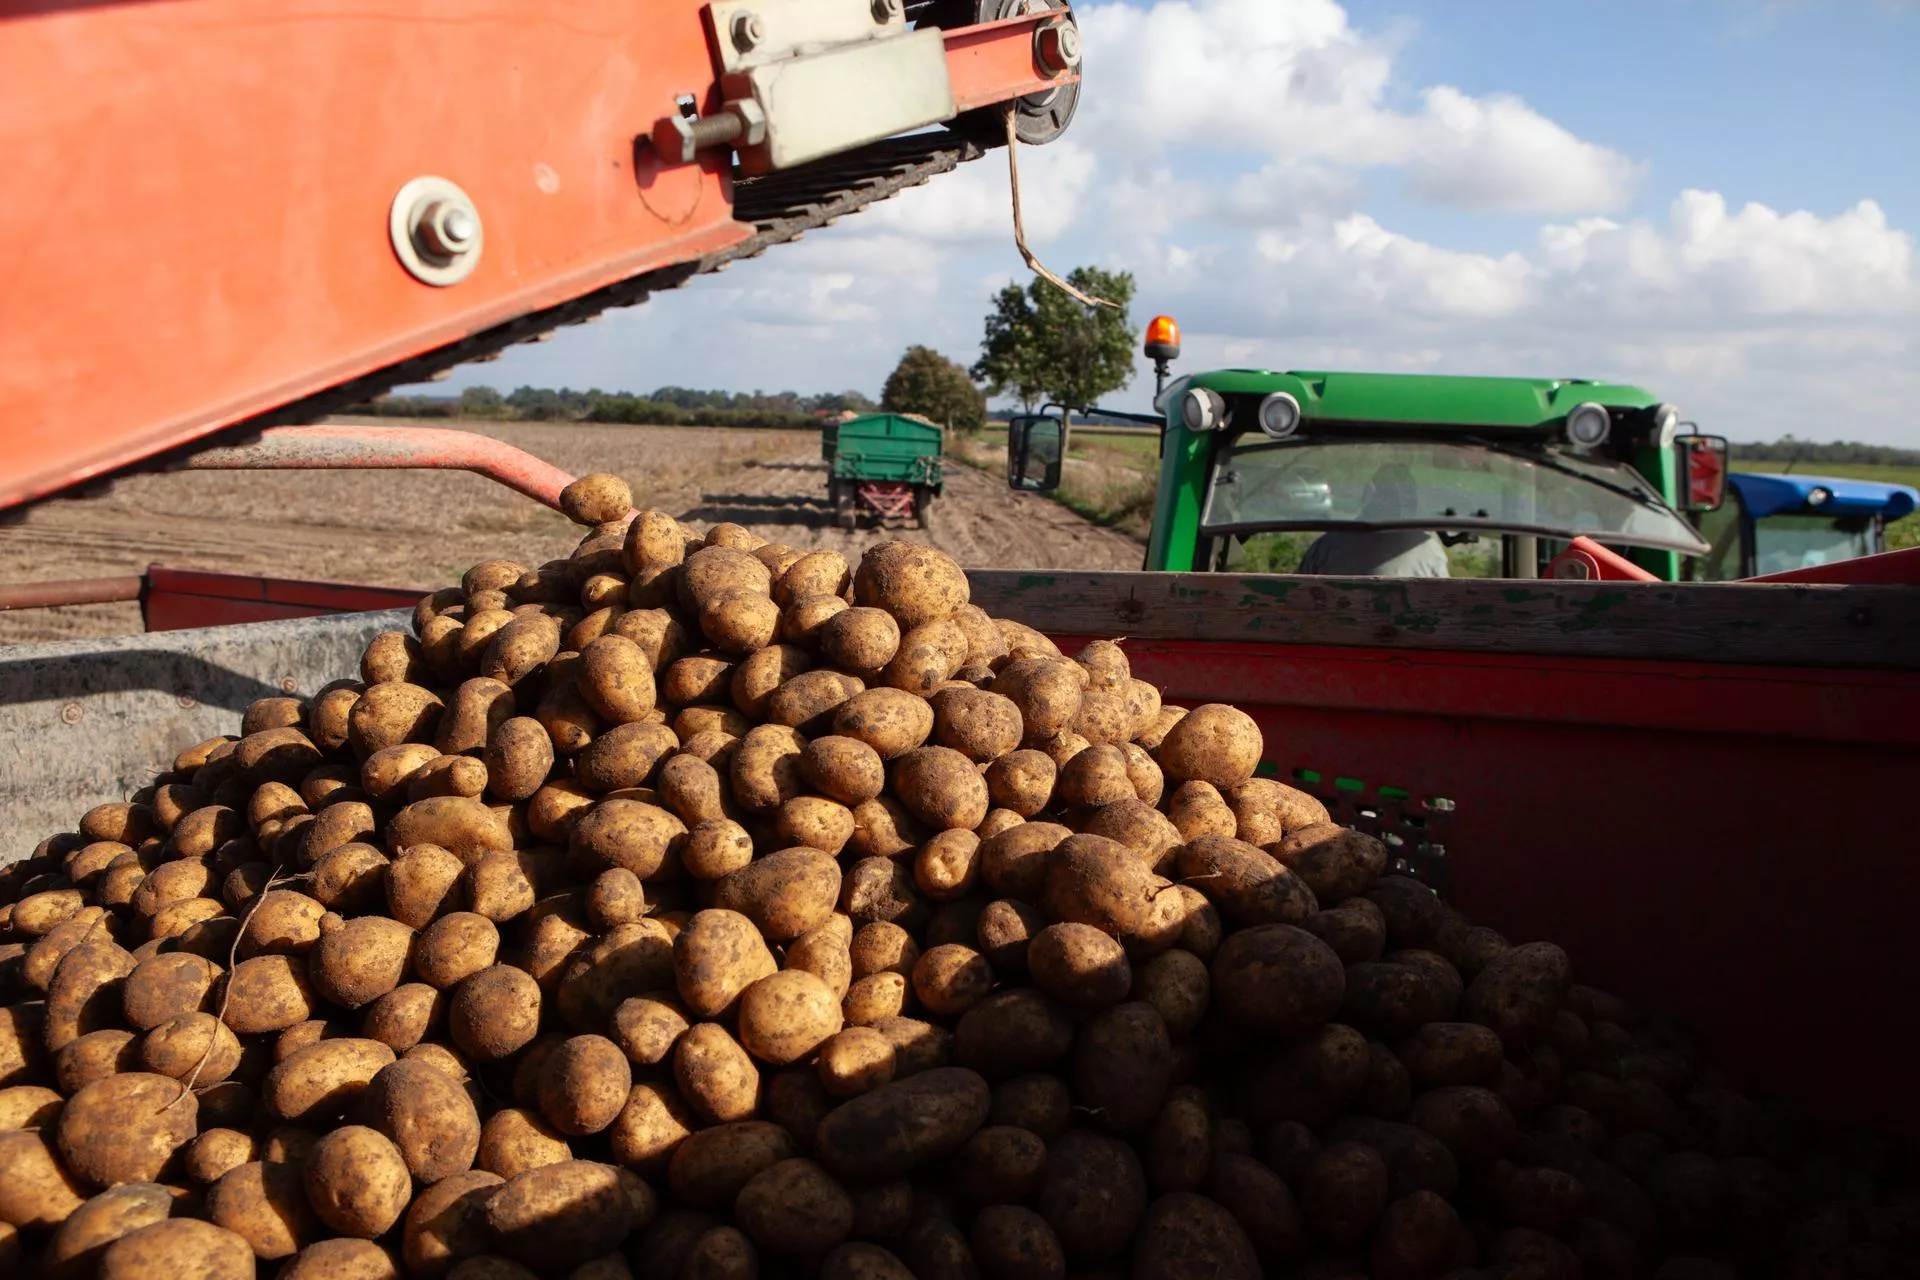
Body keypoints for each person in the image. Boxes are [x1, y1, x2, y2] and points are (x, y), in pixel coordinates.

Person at [1296, 462, 1450, 577]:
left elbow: (1296, 593)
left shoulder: (1327, 546)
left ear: (1369, 495)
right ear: (1412, 500)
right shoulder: (1430, 550)